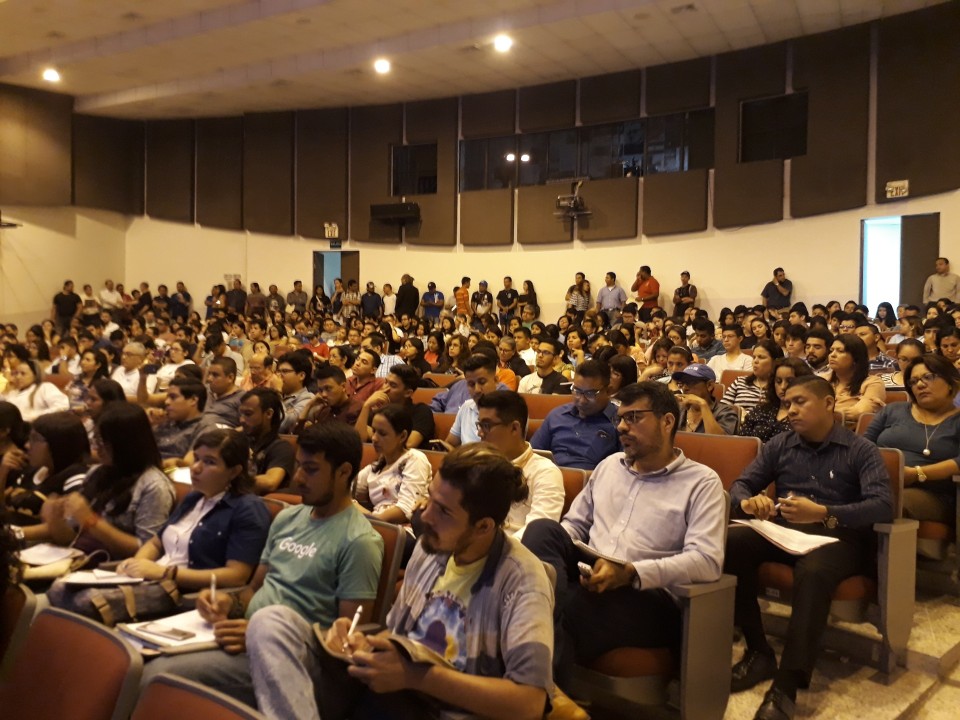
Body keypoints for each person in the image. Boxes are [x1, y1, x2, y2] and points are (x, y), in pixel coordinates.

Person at [245, 442, 553, 720]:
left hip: (440, 709)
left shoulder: (522, 580)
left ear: (483, 527)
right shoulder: (431, 546)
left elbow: (529, 704)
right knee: (271, 622)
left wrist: (415, 676)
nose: (425, 517)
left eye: (443, 510)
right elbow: (398, 637)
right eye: (429, 498)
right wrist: (362, 641)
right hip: (388, 695)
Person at [138, 423, 384, 710]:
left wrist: (261, 634)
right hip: (245, 637)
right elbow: (252, 591)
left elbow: (345, 639)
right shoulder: (287, 518)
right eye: (297, 466)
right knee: (150, 664)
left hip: (301, 661)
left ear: (343, 471)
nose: (299, 477)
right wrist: (225, 603)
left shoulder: (360, 541)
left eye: (311, 469)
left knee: (159, 676)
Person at [523, 381, 725, 684]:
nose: (621, 427)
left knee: (556, 608)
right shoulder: (608, 467)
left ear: (667, 421)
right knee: (543, 530)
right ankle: (552, 693)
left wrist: (631, 572)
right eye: (620, 418)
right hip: (593, 573)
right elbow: (574, 525)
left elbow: (707, 561)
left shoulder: (702, 483)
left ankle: (538, 694)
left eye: (633, 418)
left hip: (646, 596)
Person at [725, 375, 893, 720]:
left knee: (814, 571)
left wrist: (826, 513)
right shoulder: (782, 444)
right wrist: (749, 503)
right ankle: (759, 652)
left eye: (800, 402)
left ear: (829, 404)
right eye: (787, 403)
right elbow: (741, 485)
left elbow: (882, 506)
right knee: (732, 542)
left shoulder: (860, 449)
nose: (791, 410)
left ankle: (786, 685)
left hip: (837, 536)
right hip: (786, 529)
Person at [117, 428, 270, 590]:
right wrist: (137, 564)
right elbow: (156, 543)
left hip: (186, 594)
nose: (195, 468)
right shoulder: (194, 497)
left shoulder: (248, 508)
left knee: (89, 601)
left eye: (209, 462)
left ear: (234, 472)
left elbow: (236, 576)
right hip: (153, 582)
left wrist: (167, 573)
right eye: (196, 458)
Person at [21, 402, 175, 558]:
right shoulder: (97, 472)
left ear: (125, 443)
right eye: (95, 440)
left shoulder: (154, 486)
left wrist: (92, 521)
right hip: (79, 559)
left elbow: (147, 550)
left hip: (113, 569)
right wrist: (55, 520)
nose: (97, 448)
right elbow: (70, 538)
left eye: (102, 442)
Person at [865, 354, 960, 556]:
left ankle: (873, 570)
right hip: (878, 482)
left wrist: (916, 473)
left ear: (950, 383)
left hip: (933, 494)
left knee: (889, 500)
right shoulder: (892, 411)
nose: (920, 385)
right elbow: (863, 446)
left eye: (928, 377)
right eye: (914, 381)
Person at [475, 391, 564, 538]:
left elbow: (537, 533)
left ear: (514, 428)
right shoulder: (478, 465)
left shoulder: (545, 472)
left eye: (486, 425)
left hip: (516, 553)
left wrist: (490, 549)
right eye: (479, 425)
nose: (480, 433)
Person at [531, 359, 620, 470]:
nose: (581, 400)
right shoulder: (557, 416)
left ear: (608, 391)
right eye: (577, 391)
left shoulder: (621, 423)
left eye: (590, 394)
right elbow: (533, 455)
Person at [2, 411, 90, 522]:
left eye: (34, 439)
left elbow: (69, 531)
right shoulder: (32, 470)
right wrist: (3, 472)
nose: (27, 445)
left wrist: (14, 533)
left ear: (57, 444)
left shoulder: (76, 478)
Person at [354, 403, 431, 526]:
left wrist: (365, 515)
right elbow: (347, 489)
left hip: (403, 530)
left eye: (382, 433)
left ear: (402, 436)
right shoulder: (375, 467)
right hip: (375, 526)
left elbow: (405, 510)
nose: (374, 438)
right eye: (373, 431)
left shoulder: (415, 459)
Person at [354, 364, 434, 449]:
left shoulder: (421, 411)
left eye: (393, 385)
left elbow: (408, 444)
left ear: (408, 393)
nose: (385, 388)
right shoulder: (380, 409)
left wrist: (372, 433)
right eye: (385, 382)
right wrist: (366, 406)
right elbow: (359, 439)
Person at [738, 358, 814, 443]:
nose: (783, 387)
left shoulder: (808, 415)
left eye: (790, 381)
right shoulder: (760, 410)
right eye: (778, 381)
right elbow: (742, 443)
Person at [238, 388, 296, 493]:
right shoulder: (239, 439)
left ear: (268, 414)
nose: (241, 420)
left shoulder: (281, 448)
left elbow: (270, 482)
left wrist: (229, 479)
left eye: (248, 414)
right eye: (241, 414)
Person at [824, 335, 885, 425]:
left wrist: (822, 413)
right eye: (831, 350)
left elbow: (860, 411)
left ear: (856, 358)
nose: (832, 355)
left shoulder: (873, 383)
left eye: (840, 351)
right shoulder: (822, 380)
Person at [154, 378, 212, 468]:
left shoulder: (205, 429)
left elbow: (189, 464)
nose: (166, 402)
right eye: (167, 397)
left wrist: (175, 463)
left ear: (193, 400)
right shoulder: (164, 420)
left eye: (173, 397)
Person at [672, 363, 739, 435]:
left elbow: (719, 443)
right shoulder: (679, 409)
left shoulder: (726, 413)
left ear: (709, 385)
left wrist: (702, 405)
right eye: (682, 383)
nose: (684, 388)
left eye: (691, 382)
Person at [722, 339, 783, 413]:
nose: (755, 361)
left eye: (761, 357)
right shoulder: (740, 381)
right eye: (754, 357)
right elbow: (722, 409)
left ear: (775, 362)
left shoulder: (780, 387)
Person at [276, 353, 314, 433]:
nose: (279, 376)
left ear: (301, 376)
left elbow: (283, 425)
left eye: (285, 371)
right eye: (278, 371)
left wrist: (277, 392)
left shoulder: (308, 399)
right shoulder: (276, 394)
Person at [203, 357, 245, 428]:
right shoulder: (205, 390)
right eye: (209, 374)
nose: (209, 379)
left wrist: (231, 433)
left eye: (215, 375)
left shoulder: (243, 398)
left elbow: (248, 426)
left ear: (230, 378)